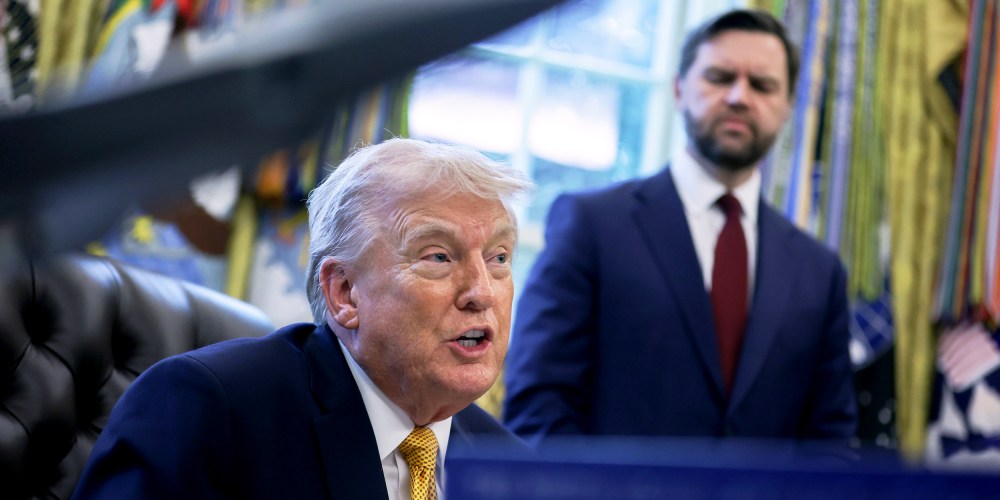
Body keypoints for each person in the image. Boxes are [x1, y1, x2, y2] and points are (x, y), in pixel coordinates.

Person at [73, 138, 533, 499]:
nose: (481, 292)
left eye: (498, 258)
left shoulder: (510, 467)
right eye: (438, 256)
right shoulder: (211, 411)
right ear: (345, 293)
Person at [503, 9, 857, 445]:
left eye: (762, 85)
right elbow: (538, 412)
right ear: (678, 90)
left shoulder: (819, 273)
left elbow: (831, 444)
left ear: (787, 109)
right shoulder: (592, 227)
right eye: (719, 77)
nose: (738, 97)